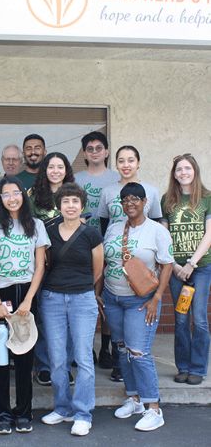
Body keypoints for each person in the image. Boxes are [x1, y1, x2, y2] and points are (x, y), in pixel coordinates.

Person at [99, 182, 173, 432]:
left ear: (145, 203)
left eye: (135, 199)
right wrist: (99, 293)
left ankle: (154, 408)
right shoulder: (114, 228)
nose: (130, 203)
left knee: (139, 353)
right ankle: (134, 399)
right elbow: (104, 261)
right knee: (122, 350)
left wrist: (157, 298)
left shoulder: (157, 230)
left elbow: (167, 265)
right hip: (113, 298)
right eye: (126, 199)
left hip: (141, 301)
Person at [0, 176, 49, 434]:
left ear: (23, 195)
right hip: (2, 293)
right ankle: (1, 413)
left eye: (16, 192)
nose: (12, 198)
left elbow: (40, 264)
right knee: (0, 359)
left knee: (24, 358)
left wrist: (29, 300)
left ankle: (23, 412)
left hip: (27, 293)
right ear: (0, 199)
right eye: (5, 194)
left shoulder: (36, 225)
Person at [40, 183, 103, 437]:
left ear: (82, 206)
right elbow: (43, 263)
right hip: (52, 298)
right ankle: (62, 407)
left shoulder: (91, 234)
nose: (70, 206)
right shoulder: (48, 232)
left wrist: (84, 288)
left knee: (83, 357)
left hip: (82, 299)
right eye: (66, 202)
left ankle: (83, 413)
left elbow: (98, 268)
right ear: (59, 206)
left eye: (75, 202)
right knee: (56, 358)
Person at [161, 154, 211, 385]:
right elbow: (164, 236)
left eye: (187, 168)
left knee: (199, 319)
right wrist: (175, 265)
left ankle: (198, 368)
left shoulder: (207, 198)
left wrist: (191, 263)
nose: (183, 173)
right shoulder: (167, 200)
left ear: (195, 171)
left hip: (200, 267)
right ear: (174, 174)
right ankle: (183, 367)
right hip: (176, 268)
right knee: (180, 320)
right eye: (179, 169)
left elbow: (209, 235)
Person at [74, 132, 118, 370]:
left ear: (107, 151)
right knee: (85, 300)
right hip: (81, 245)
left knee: (106, 300)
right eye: (89, 148)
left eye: (98, 148)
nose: (94, 152)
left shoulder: (116, 178)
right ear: (84, 153)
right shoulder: (76, 178)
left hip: (109, 244)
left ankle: (106, 347)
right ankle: (87, 347)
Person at [98, 145, 162, 235]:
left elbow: (155, 222)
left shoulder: (152, 191)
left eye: (131, 160)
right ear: (116, 164)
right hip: (114, 244)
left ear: (138, 163)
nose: (126, 165)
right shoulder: (107, 192)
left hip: (143, 245)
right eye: (121, 161)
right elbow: (103, 225)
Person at [29, 152, 75, 225]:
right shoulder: (34, 196)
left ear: (66, 171)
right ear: (45, 170)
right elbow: (30, 227)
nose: (55, 171)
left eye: (60, 167)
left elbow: (81, 225)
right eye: (51, 167)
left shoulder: (76, 193)